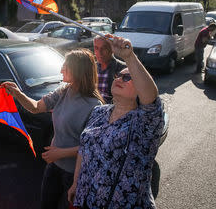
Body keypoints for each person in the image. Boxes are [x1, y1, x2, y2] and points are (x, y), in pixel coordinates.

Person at [68, 36, 165, 209]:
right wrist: (76, 183)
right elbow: (83, 149)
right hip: (84, 200)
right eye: (118, 76)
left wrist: (129, 57)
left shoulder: (144, 122)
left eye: (128, 78)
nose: (119, 79)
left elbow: (151, 98)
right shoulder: (99, 111)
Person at [2, 49, 104, 209]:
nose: (61, 69)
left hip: (74, 174)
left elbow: (91, 146)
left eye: (66, 66)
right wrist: (18, 94)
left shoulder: (95, 106)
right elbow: (36, 107)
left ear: (78, 71)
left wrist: (60, 153)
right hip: (54, 165)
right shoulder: (63, 91)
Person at [93, 36, 126, 104]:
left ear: (112, 49)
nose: (99, 52)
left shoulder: (123, 69)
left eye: (104, 48)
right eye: (96, 48)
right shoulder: (91, 68)